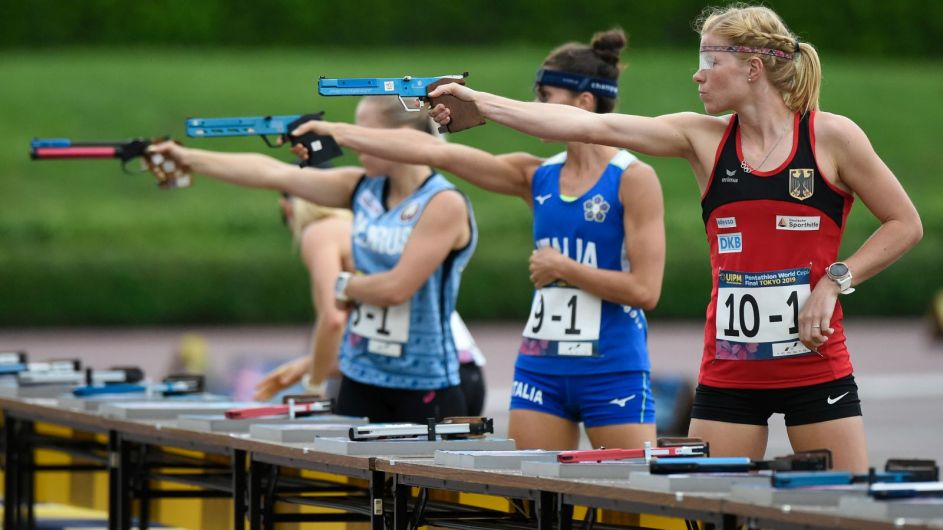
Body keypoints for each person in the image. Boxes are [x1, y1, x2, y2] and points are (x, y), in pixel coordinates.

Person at [427, 6, 923, 470]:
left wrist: (835, 280)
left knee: (843, 512)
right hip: (730, 372)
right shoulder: (701, 138)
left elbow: (904, 223)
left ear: (753, 67)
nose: (697, 73)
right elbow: (588, 125)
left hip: (816, 365)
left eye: (710, 59)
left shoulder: (832, 138)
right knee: (709, 512)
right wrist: (483, 104)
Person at [293, 29, 664, 450]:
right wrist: (337, 133)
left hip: (611, 367)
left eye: (546, 97)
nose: (535, 108)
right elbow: (436, 153)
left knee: (624, 505)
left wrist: (564, 268)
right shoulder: (535, 174)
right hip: (540, 367)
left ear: (584, 102)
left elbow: (645, 290)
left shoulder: (633, 178)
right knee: (529, 499)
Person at [150, 95, 478, 423]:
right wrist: (187, 157)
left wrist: (340, 284)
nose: (353, 142)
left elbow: (396, 289)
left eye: (365, 132)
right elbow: (272, 174)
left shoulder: (443, 202)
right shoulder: (361, 188)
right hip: (361, 378)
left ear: (404, 136)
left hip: (427, 384)